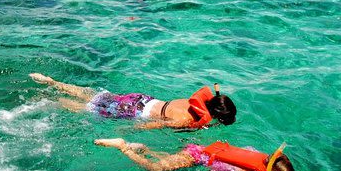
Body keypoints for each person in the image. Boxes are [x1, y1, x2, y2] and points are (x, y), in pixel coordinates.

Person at [29, 73, 236, 129]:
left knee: (96, 96)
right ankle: (48, 99)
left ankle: (53, 83)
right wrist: (131, 130)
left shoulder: (191, 101)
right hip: (134, 112)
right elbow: (155, 125)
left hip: (140, 98)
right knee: (88, 108)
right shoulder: (187, 119)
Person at [94, 138, 295, 171]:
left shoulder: (256, 155)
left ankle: (143, 148)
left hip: (198, 149)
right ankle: (122, 146)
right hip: (198, 158)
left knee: (167, 162)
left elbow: (243, 151)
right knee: (153, 169)